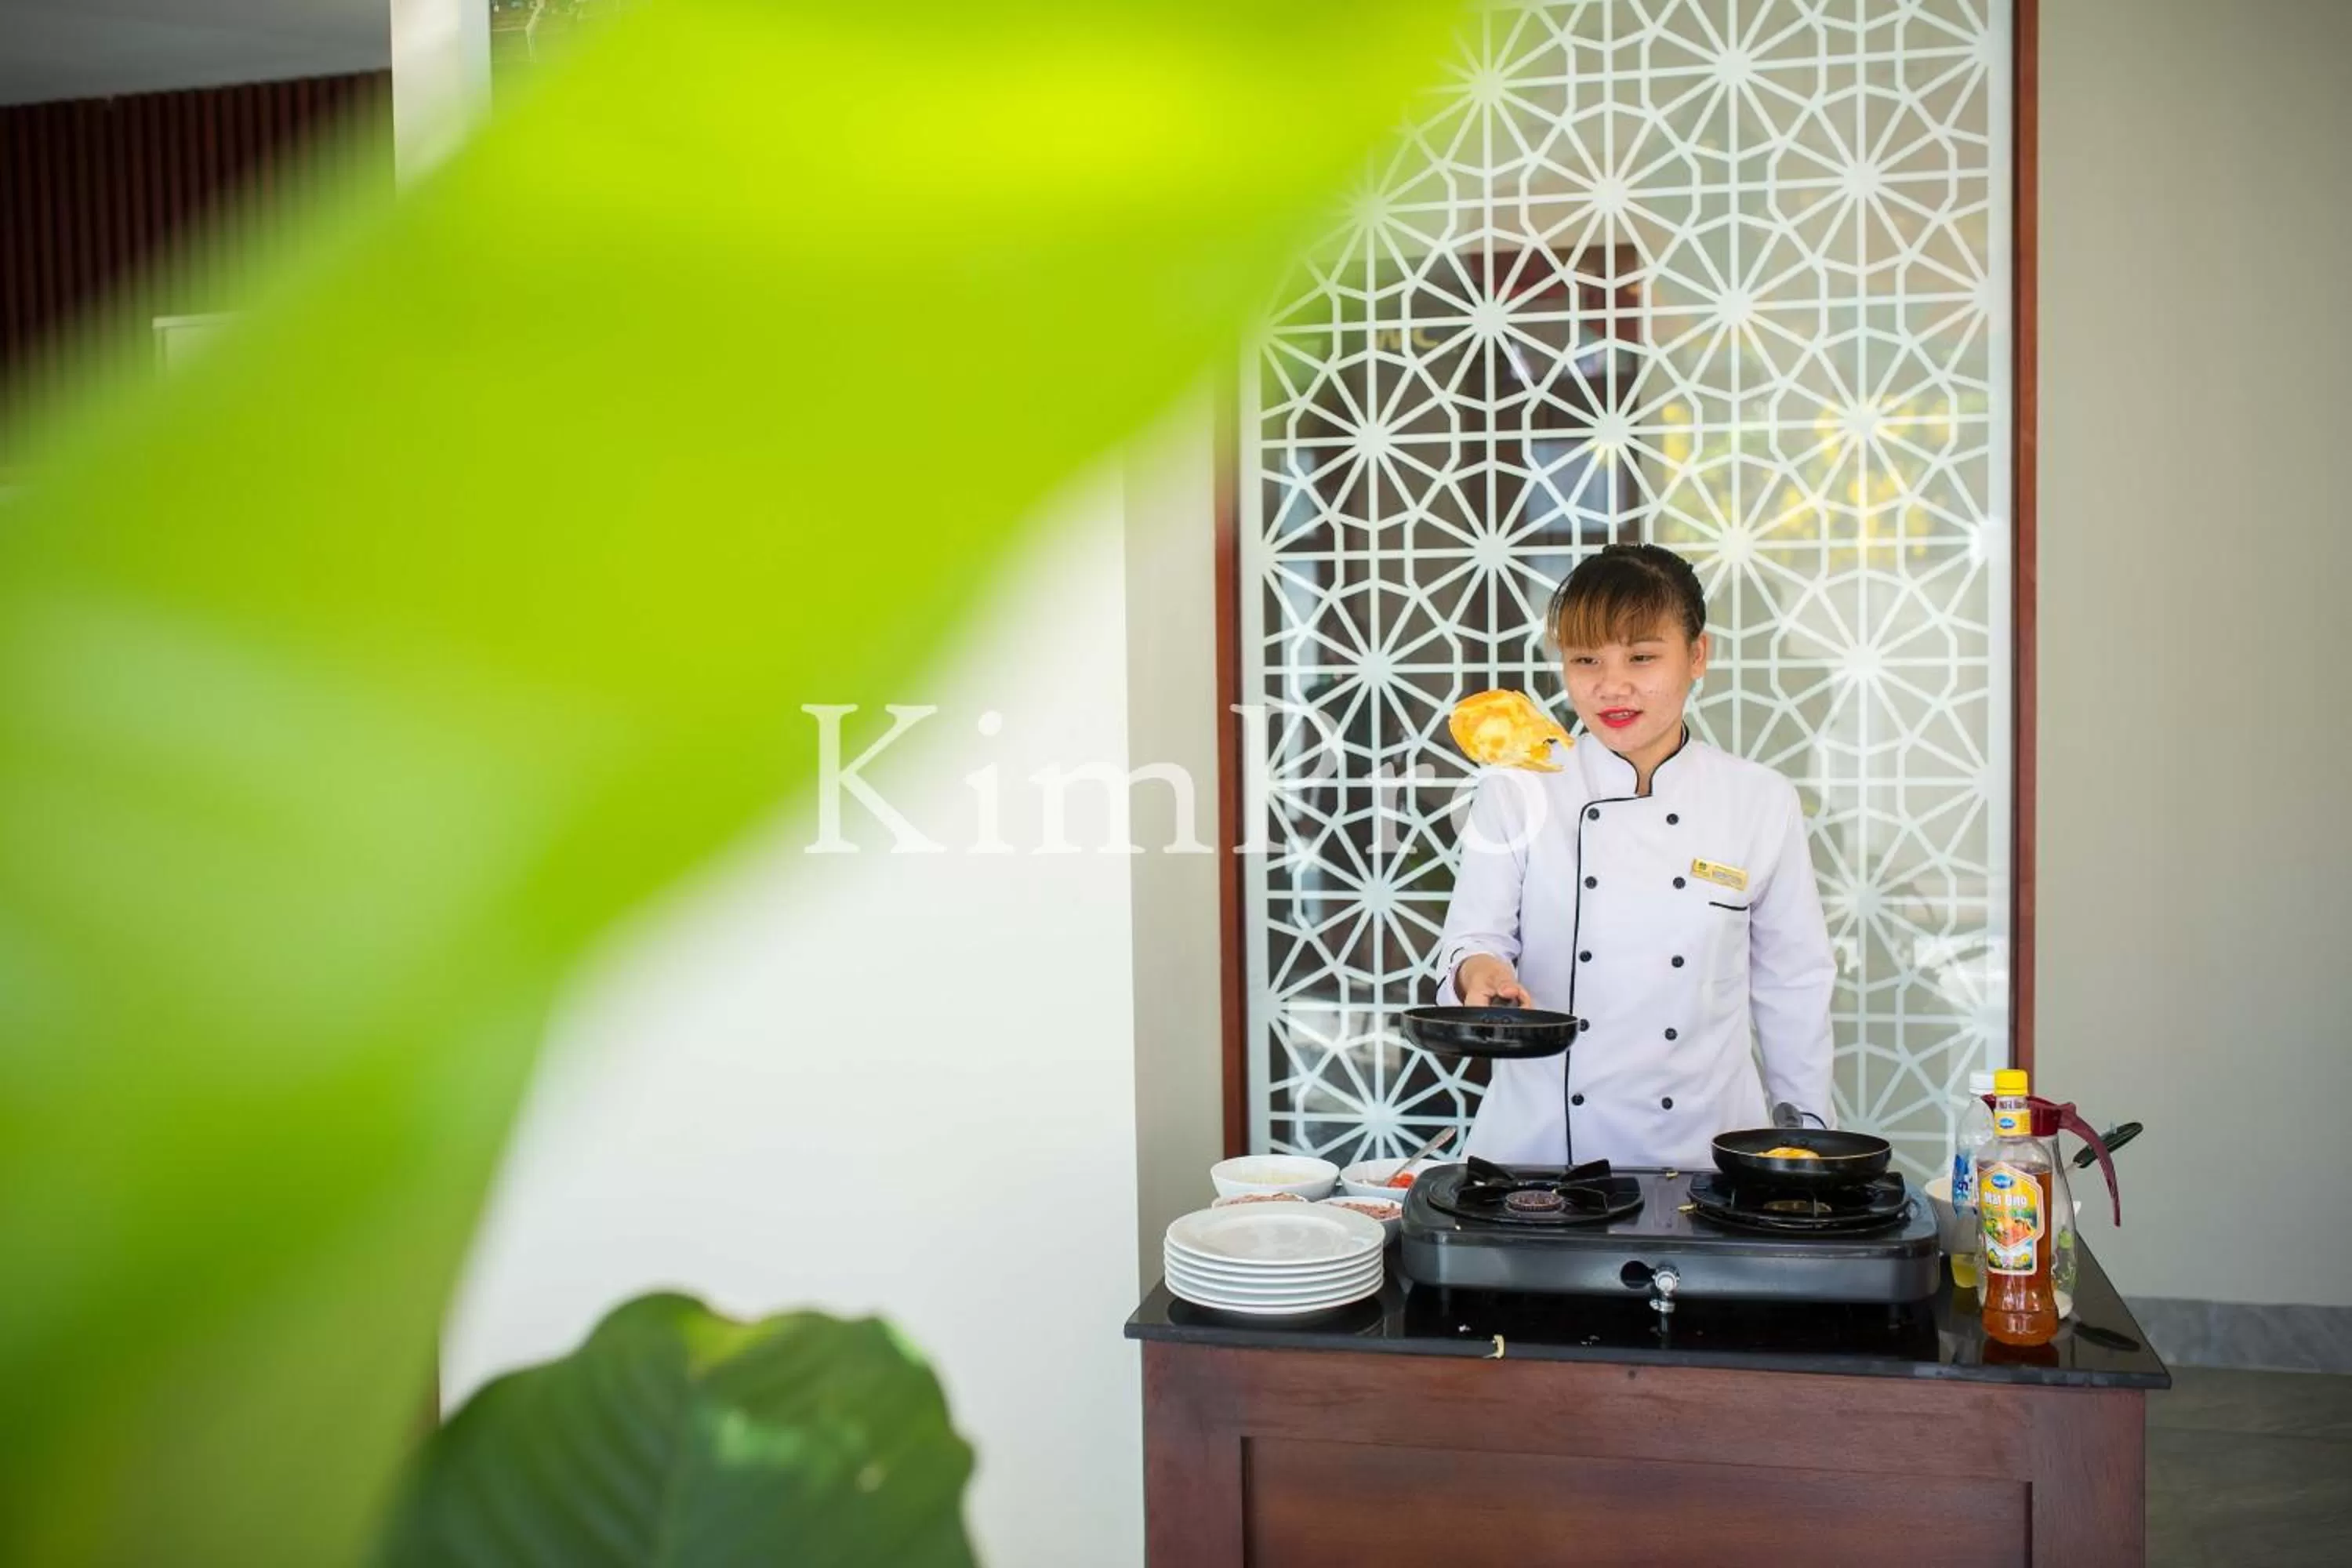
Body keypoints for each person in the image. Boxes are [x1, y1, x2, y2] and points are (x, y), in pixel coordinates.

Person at [1433, 543, 1835, 1169]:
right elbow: (1472, 939)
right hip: (1541, 1153)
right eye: (1585, 659)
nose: (1611, 686)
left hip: (1708, 1155)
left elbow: (1793, 983)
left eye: (1643, 657)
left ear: (1698, 656)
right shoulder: (1520, 786)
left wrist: (1807, 1140)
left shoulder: (1759, 800)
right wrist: (1478, 972)